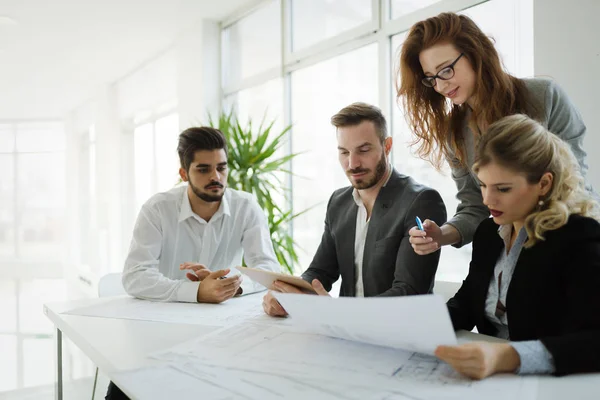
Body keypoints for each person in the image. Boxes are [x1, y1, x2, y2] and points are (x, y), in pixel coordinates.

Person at [396, 12, 595, 255]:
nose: (440, 85)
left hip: (569, 237)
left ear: (475, 53)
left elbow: (573, 183)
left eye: (446, 70)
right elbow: (475, 207)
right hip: (510, 248)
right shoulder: (453, 133)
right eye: (431, 78)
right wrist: (441, 235)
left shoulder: (544, 96)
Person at [435, 114, 600, 379]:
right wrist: (417, 326)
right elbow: (467, 304)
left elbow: (594, 340)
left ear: (543, 184)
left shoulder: (578, 236)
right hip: (493, 382)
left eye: (503, 188)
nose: (488, 199)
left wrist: (507, 357)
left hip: (551, 386)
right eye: (483, 185)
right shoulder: (488, 233)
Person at [263, 103, 447, 316]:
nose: (352, 164)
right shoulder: (338, 202)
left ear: (387, 146)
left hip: (398, 332)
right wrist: (288, 295)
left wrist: (338, 311)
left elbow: (409, 292)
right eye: (344, 152)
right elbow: (320, 271)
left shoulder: (421, 201)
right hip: (346, 334)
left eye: (364, 150)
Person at [122, 126, 280, 303]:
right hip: (168, 315)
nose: (216, 177)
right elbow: (135, 276)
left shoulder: (245, 207)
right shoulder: (157, 209)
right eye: (203, 170)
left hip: (226, 316)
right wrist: (196, 291)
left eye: (221, 168)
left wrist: (227, 285)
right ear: (184, 174)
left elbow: (268, 268)